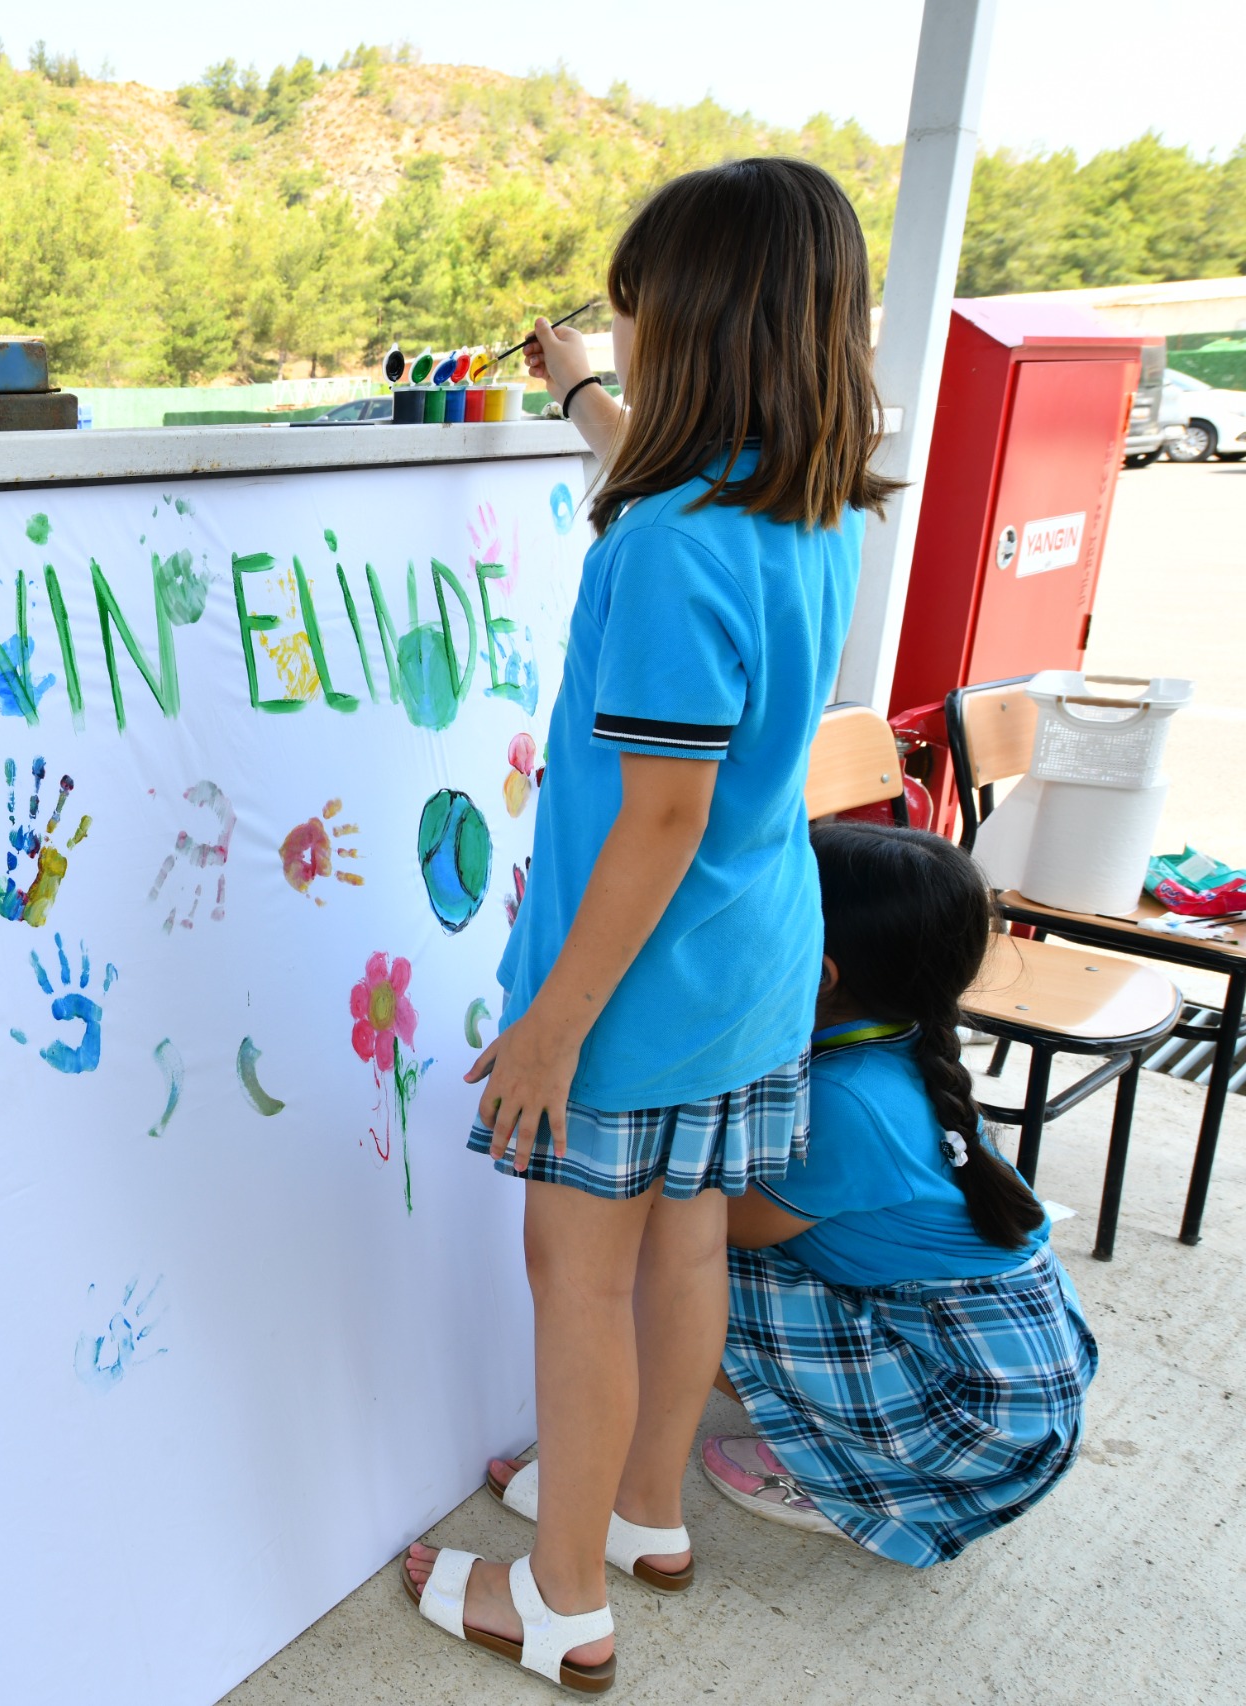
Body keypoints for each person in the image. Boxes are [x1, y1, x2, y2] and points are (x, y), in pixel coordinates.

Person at [402, 156, 890, 1695]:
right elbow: (668, 501)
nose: (628, 336)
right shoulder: (803, 504)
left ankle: (559, 1604)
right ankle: (645, 1513)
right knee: (685, 1252)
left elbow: (659, 814)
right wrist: (581, 398)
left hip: (631, 989)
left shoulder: (670, 546)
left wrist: (551, 1022)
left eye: (639, 316)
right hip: (747, 969)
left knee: (578, 1274)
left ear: (701, 323)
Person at [707, 821, 1095, 1566]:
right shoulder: (899, 1042)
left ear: (819, 975)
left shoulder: (847, 1103)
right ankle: (848, 1430)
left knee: (669, 1264)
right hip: (1014, 1372)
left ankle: (850, 1475)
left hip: (980, 1417)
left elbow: (735, 1227)